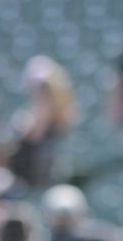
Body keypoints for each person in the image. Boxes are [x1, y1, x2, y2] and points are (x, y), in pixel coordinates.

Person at [8, 56, 78, 188]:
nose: (40, 94)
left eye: (44, 90)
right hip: (28, 183)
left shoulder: (64, 119)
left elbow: (37, 133)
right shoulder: (24, 118)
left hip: (52, 182)